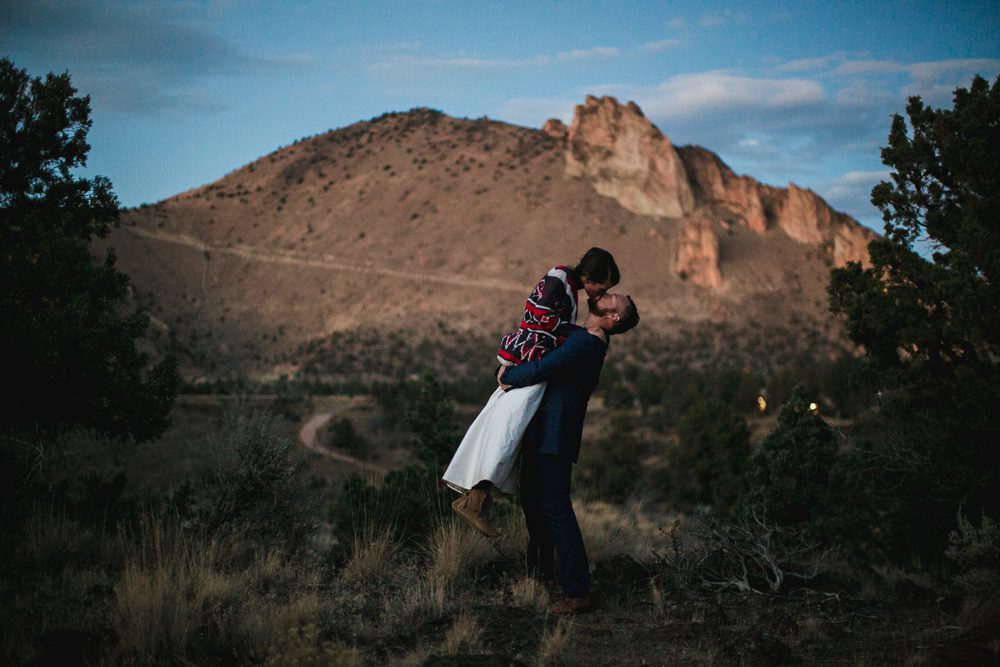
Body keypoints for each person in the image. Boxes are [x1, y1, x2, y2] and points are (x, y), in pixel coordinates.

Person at [443, 248, 619, 537]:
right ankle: (474, 501)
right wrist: (577, 335)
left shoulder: (565, 284)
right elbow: (541, 320)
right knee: (508, 430)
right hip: (531, 356)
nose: (599, 294)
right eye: (602, 286)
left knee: (509, 431)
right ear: (590, 277)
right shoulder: (559, 281)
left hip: (531, 356)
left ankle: (475, 499)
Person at [500, 292, 639, 614]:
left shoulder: (587, 344)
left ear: (613, 317)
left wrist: (508, 377)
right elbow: (553, 327)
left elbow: (543, 368)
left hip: (554, 436)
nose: (606, 294)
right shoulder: (582, 336)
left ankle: (577, 591)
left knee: (555, 509)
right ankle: (540, 574)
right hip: (544, 434)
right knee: (534, 505)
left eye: (613, 298)